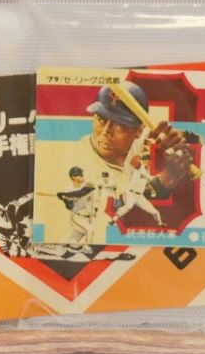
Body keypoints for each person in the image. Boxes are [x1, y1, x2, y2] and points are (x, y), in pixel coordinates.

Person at [36, 80, 195, 243]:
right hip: (75, 235)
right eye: (101, 119)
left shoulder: (132, 145)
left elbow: (178, 138)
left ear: (137, 131)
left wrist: (180, 144)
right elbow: (130, 199)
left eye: (118, 125)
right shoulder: (79, 162)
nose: (105, 132)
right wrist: (168, 177)